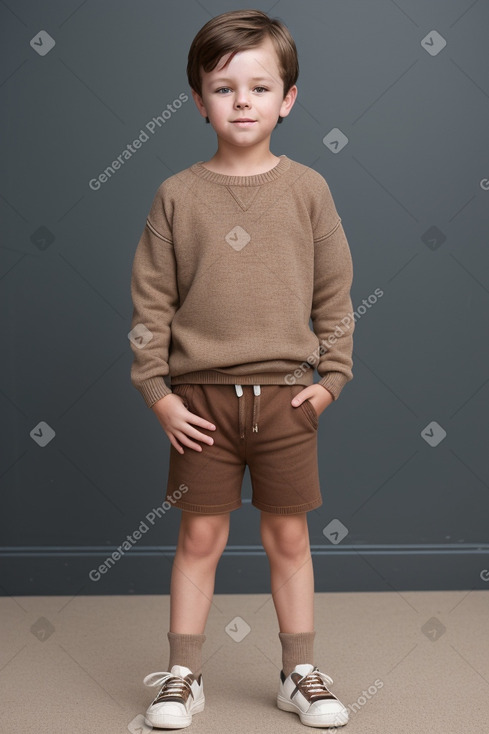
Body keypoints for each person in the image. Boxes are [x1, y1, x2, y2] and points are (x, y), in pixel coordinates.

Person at [129, 8, 354, 729]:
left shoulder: (309, 189)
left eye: (259, 87)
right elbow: (151, 305)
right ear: (198, 99)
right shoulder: (175, 195)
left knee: (288, 537)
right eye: (223, 88)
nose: (242, 102)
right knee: (199, 539)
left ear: (286, 98)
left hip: (289, 401)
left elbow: (335, 295)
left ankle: (299, 671)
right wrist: (158, 395)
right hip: (200, 405)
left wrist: (329, 382)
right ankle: (183, 676)